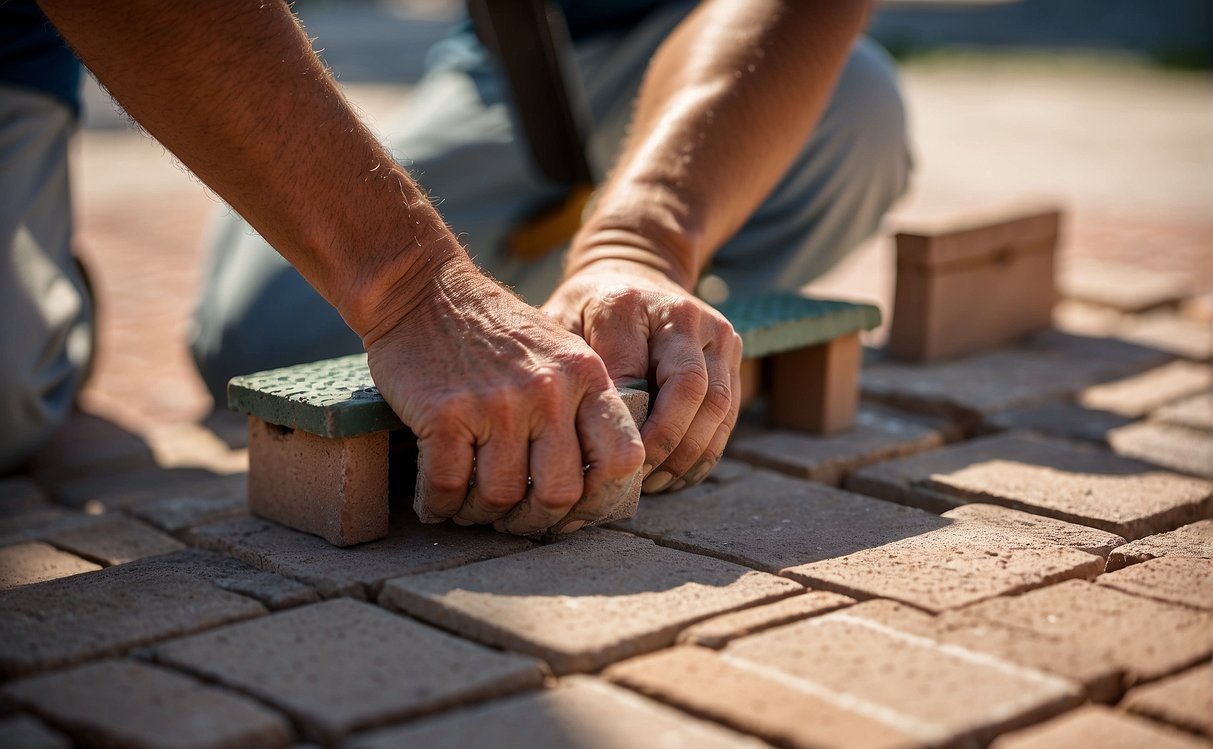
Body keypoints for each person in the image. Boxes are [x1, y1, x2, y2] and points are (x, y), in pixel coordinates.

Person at [1, 0, 909, 535]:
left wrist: (641, 242)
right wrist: (411, 288)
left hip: (643, 31)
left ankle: (588, 289)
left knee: (856, 107)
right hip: (510, 69)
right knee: (262, 339)